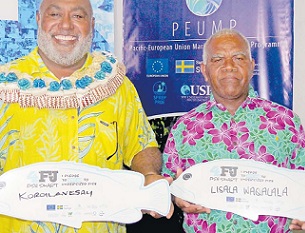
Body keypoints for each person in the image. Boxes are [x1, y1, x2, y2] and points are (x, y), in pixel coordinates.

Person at [0, 0, 173, 232]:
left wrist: (150, 175)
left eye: (78, 16)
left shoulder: (115, 84)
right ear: (39, 20)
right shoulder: (6, 85)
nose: (66, 25)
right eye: (54, 14)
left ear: (91, 25)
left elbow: (142, 145)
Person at [162, 28, 305, 232]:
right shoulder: (185, 128)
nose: (229, 66)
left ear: (252, 65)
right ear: (204, 70)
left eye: (238, 57)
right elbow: (168, 184)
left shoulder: (286, 122)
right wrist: (176, 197)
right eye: (218, 59)